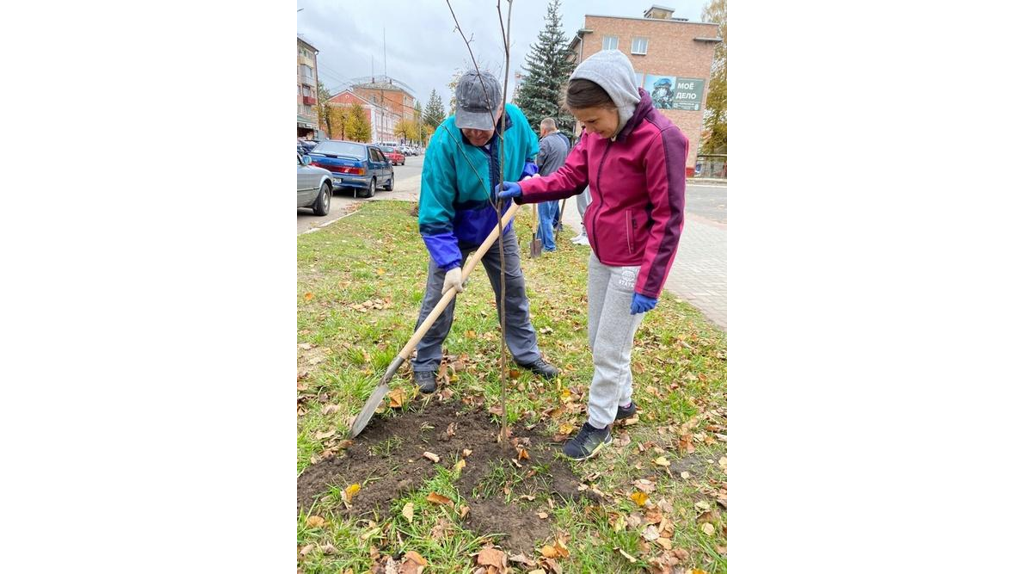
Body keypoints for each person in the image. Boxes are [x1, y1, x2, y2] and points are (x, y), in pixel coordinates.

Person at [495, 50, 688, 460]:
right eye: (583, 124)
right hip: (603, 254)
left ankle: (599, 422)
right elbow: (571, 175)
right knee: (601, 340)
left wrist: (649, 283)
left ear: (618, 102)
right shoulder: (595, 134)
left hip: (633, 265)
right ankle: (625, 403)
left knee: (608, 349)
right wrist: (525, 188)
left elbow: (668, 217)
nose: (589, 132)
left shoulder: (660, 139)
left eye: (594, 121)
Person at [413, 70, 560, 394]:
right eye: (467, 122)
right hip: (453, 229)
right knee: (440, 296)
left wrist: (525, 178)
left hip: (498, 224)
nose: (474, 132)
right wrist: (451, 264)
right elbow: (435, 216)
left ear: (499, 110)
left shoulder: (516, 122)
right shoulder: (445, 142)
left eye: (483, 123)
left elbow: (529, 156)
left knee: (513, 289)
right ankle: (424, 362)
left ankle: (526, 354)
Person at [536, 118, 571, 252]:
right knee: (548, 216)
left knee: (544, 217)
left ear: (544, 130)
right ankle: (540, 239)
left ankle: (550, 246)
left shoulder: (545, 142)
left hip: (546, 185)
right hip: (558, 183)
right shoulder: (563, 141)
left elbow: (538, 163)